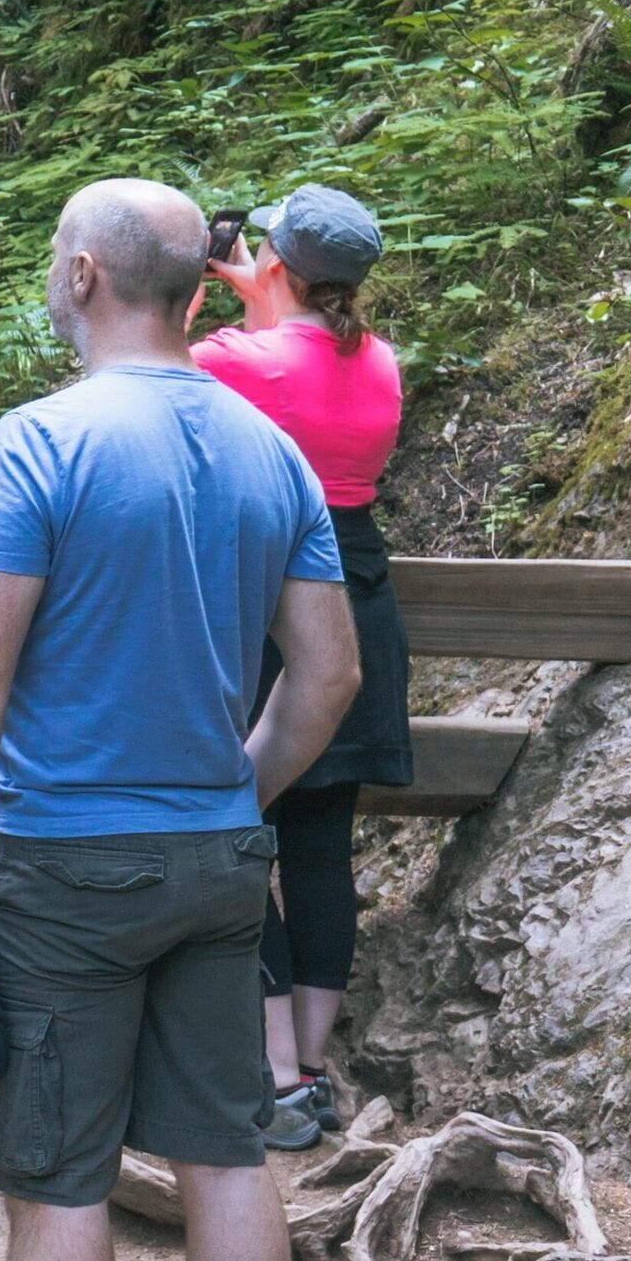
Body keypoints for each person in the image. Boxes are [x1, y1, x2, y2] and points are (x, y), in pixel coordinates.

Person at [0, 179, 364, 1261]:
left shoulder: (39, 443)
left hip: (66, 865)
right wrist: (234, 796)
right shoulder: (274, 453)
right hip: (217, 864)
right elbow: (330, 676)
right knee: (225, 1150)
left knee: (61, 1174)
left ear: (83, 275)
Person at [196, 185, 410, 1151]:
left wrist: (209, 295)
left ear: (276, 261)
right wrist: (265, 294)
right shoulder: (384, 364)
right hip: (358, 595)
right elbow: (306, 367)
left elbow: (151, 365)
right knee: (321, 845)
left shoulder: (234, 359)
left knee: (236, 829)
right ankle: (312, 1067)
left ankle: (274, 1077)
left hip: (267, 600)